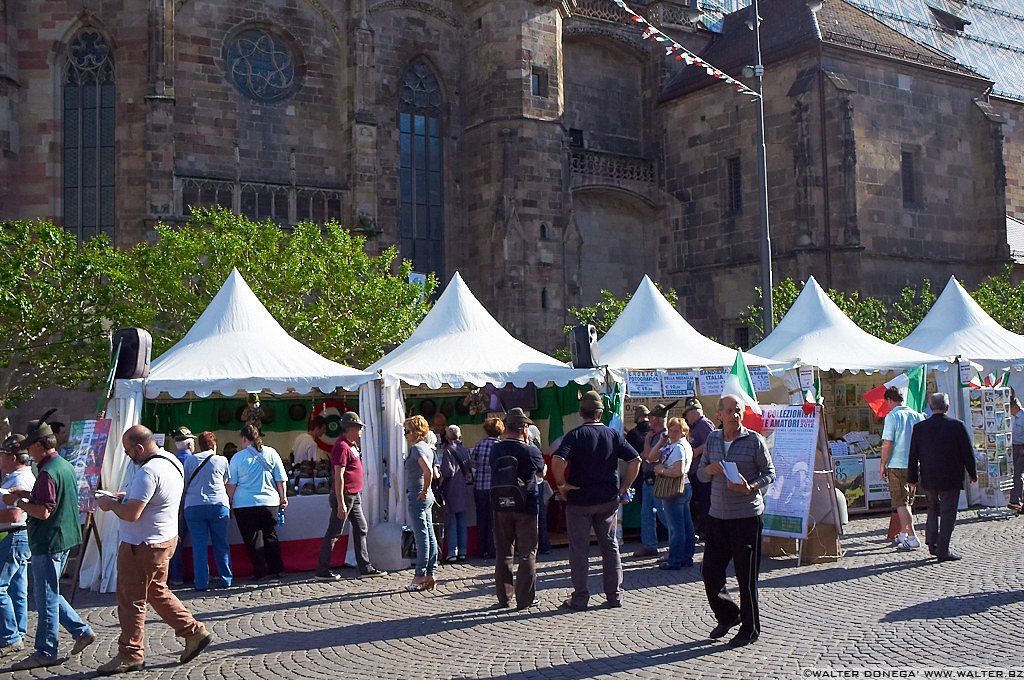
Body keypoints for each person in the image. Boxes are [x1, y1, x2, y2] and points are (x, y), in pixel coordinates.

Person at [94, 425, 212, 675]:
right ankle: (193, 632)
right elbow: (154, 497)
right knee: (156, 591)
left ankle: (130, 654)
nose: (128, 456)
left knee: (132, 600)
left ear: (140, 447)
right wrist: (125, 495)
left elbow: (131, 514)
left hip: (143, 545)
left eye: (129, 451)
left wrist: (109, 505)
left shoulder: (148, 471)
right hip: (163, 538)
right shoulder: (169, 460)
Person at [6, 419, 95, 670]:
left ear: (37, 445)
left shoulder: (46, 472)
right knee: (51, 591)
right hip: (63, 538)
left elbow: (44, 511)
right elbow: (52, 500)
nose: (26, 452)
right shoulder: (62, 465)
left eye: (28, 447)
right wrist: (26, 495)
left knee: (45, 597)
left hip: (49, 540)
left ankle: (46, 650)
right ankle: (81, 631)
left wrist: (20, 504)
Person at [697, 395, 775, 648]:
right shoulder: (713, 439)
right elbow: (701, 473)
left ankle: (750, 629)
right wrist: (708, 470)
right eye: (729, 411)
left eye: (738, 410)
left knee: (745, 577)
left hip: (746, 517)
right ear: (719, 415)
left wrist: (751, 486)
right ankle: (729, 614)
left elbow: (770, 473)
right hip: (717, 516)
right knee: (710, 571)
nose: (734, 415)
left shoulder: (753, 440)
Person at [551, 391, 641, 610]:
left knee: (579, 549)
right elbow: (635, 459)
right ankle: (614, 595)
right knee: (609, 546)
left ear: (582, 413)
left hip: (580, 499)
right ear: (601, 413)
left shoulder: (575, 435)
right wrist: (624, 487)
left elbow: (557, 459)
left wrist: (562, 485)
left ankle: (580, 597)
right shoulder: (612, 434)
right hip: (607, 498)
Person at [907, 392, 978, 562]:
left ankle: (932, 543)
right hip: (950, 477)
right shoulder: (957, 426)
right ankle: (943, 550)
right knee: (948, 513)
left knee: (932, 509)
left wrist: (912, 478)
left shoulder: (920, 428)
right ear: (947, 407)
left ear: (931, 408)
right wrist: (972, 473)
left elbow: (913, 455)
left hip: (929, 476)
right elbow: (968, 452)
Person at [316, 412, 385, 580]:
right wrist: (340, 503)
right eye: (359, 427)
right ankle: (323, 570)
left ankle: (364, 566)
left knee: (361, 527)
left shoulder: (351, 445)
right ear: (351, 428)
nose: (361, 430)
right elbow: (338, 475)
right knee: (334, 532)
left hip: (353, 495)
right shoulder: (342, 446)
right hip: (346, 495)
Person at [490, 408, 545, 611]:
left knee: (503, 551)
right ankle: (525, 600)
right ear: (523, 428)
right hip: (526, 504)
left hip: (500, 503)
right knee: (527, 552)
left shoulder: (496, 449)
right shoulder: (529, 449)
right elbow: (542, 471)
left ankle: (504, 597)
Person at [227, 424, 288, 581]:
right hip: (269, 502)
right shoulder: (272, 452)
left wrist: (229, 501)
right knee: (271, 535)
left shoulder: (237, 458)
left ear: (245, 439)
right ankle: (277, 569)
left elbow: (232, 484)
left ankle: (260, 571)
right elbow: (280, 479)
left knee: (253, 539)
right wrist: (283, 497)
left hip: (244, 504)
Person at [182, 432, 233, 591]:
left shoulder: (190, 460)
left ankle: (201, 582)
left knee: (199, 546)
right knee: (221, 544)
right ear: (214, 445)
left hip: (194, 505)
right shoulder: (222, 460)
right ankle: (226, 578)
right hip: (218, 504)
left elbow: (185, 483)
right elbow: (225, 481)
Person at [879, 387, 926, 551]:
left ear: (890, 401)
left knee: (900, 502)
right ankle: (902, 533)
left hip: (897, 463)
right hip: (914, 464)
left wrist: (882, 463)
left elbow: (887, 443)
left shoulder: (892, 416)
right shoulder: (917, 415)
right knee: (908, 501)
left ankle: (912, 536)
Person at [646, 417, 694, 570]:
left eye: (676, 431)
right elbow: (651, 457)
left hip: (674, 488)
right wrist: (661, 441)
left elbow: (678, 471)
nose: (672, 434)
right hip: (684, 487)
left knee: (676, 527)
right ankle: (686, 556)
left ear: (683, 432)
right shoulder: (675, 445)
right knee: (686, 525)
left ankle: (675, 560)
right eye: (671, 431)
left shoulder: (679, 447)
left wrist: (662, 471)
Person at [0, 434, 33, 658]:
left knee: (1, 588)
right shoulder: (16, 476)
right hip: (17, 536)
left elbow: (14, 514)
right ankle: (17, 632)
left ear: (12, 457)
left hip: (14, 535)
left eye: (2, 455)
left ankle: (11, 636)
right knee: (17, 589)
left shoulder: (19, 480)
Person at [635, 401, 676, 558]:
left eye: (651, 417)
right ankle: (649, 545)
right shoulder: (653, 435)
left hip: (660, 480)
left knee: (664, 514)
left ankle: (676, 545)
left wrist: (647, 446)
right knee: (647, 514)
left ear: (657, 419)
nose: (648, 420)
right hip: (649, 480)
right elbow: (646, 455)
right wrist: (646, 441)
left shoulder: (665, 436)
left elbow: (649, 457)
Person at [403, 415, 438, 591]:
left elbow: (428, 471)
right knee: (429, 535)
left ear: (417, 431)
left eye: (407, 431)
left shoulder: (417, 449)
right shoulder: (427, 447)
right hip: (425, 495)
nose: (405, 435)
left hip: (418, 495)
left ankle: (419, 576)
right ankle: (430, 573)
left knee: (422, 536)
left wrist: (424, 490)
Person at [168, 426, 197, 586]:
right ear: (189, 445)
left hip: (176, 506)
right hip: (192, 503)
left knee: (176, 543)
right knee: (199, 540)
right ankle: (201, 573)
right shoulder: (193, 460)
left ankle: (176, 576)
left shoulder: (171, 460)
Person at [471, 417, 505, 559]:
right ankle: (492, 549)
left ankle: (481, 549)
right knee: (494, 519)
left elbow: (472, 462)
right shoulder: (502, 446)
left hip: (480, 484)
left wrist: (481, 468)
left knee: (481, 517)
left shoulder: (480, 444)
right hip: (496, 485)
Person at [439, 425, 474, 562]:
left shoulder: (448, 451)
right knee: (462, 520)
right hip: (464, 488)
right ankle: (463, 551)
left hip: (452, 488)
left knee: (452, 520)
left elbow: (448, 471)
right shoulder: (465, 450)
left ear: (447, 436)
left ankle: (453, 551)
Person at [683, 399, 715, 540]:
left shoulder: (703, 424)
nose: (686, 418)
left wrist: (695, 451)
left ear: (694, 412)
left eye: (687, 414)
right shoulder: (696, 426)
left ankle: (707, 530)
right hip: (696, 471)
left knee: (705, 501)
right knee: (701, 501)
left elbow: (711, 441)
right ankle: (704, 528)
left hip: (702, 472)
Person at [527, 423, 552, 555]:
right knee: (540, 514)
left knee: (533, 515)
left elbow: (541, 472)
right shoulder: (535, 431)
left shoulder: (528, 445)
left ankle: (536, 545)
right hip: (537, 482)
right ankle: (543, 545)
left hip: (532, 483)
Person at [1010, 398, 1024, 512]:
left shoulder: (1023, 417)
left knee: (1018, 474)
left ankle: (1016, 501)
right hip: (1016, 448)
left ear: (1015, 407)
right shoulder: (1017, 418)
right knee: (1017, 474)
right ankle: (1017, 501)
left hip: (1022, 449)